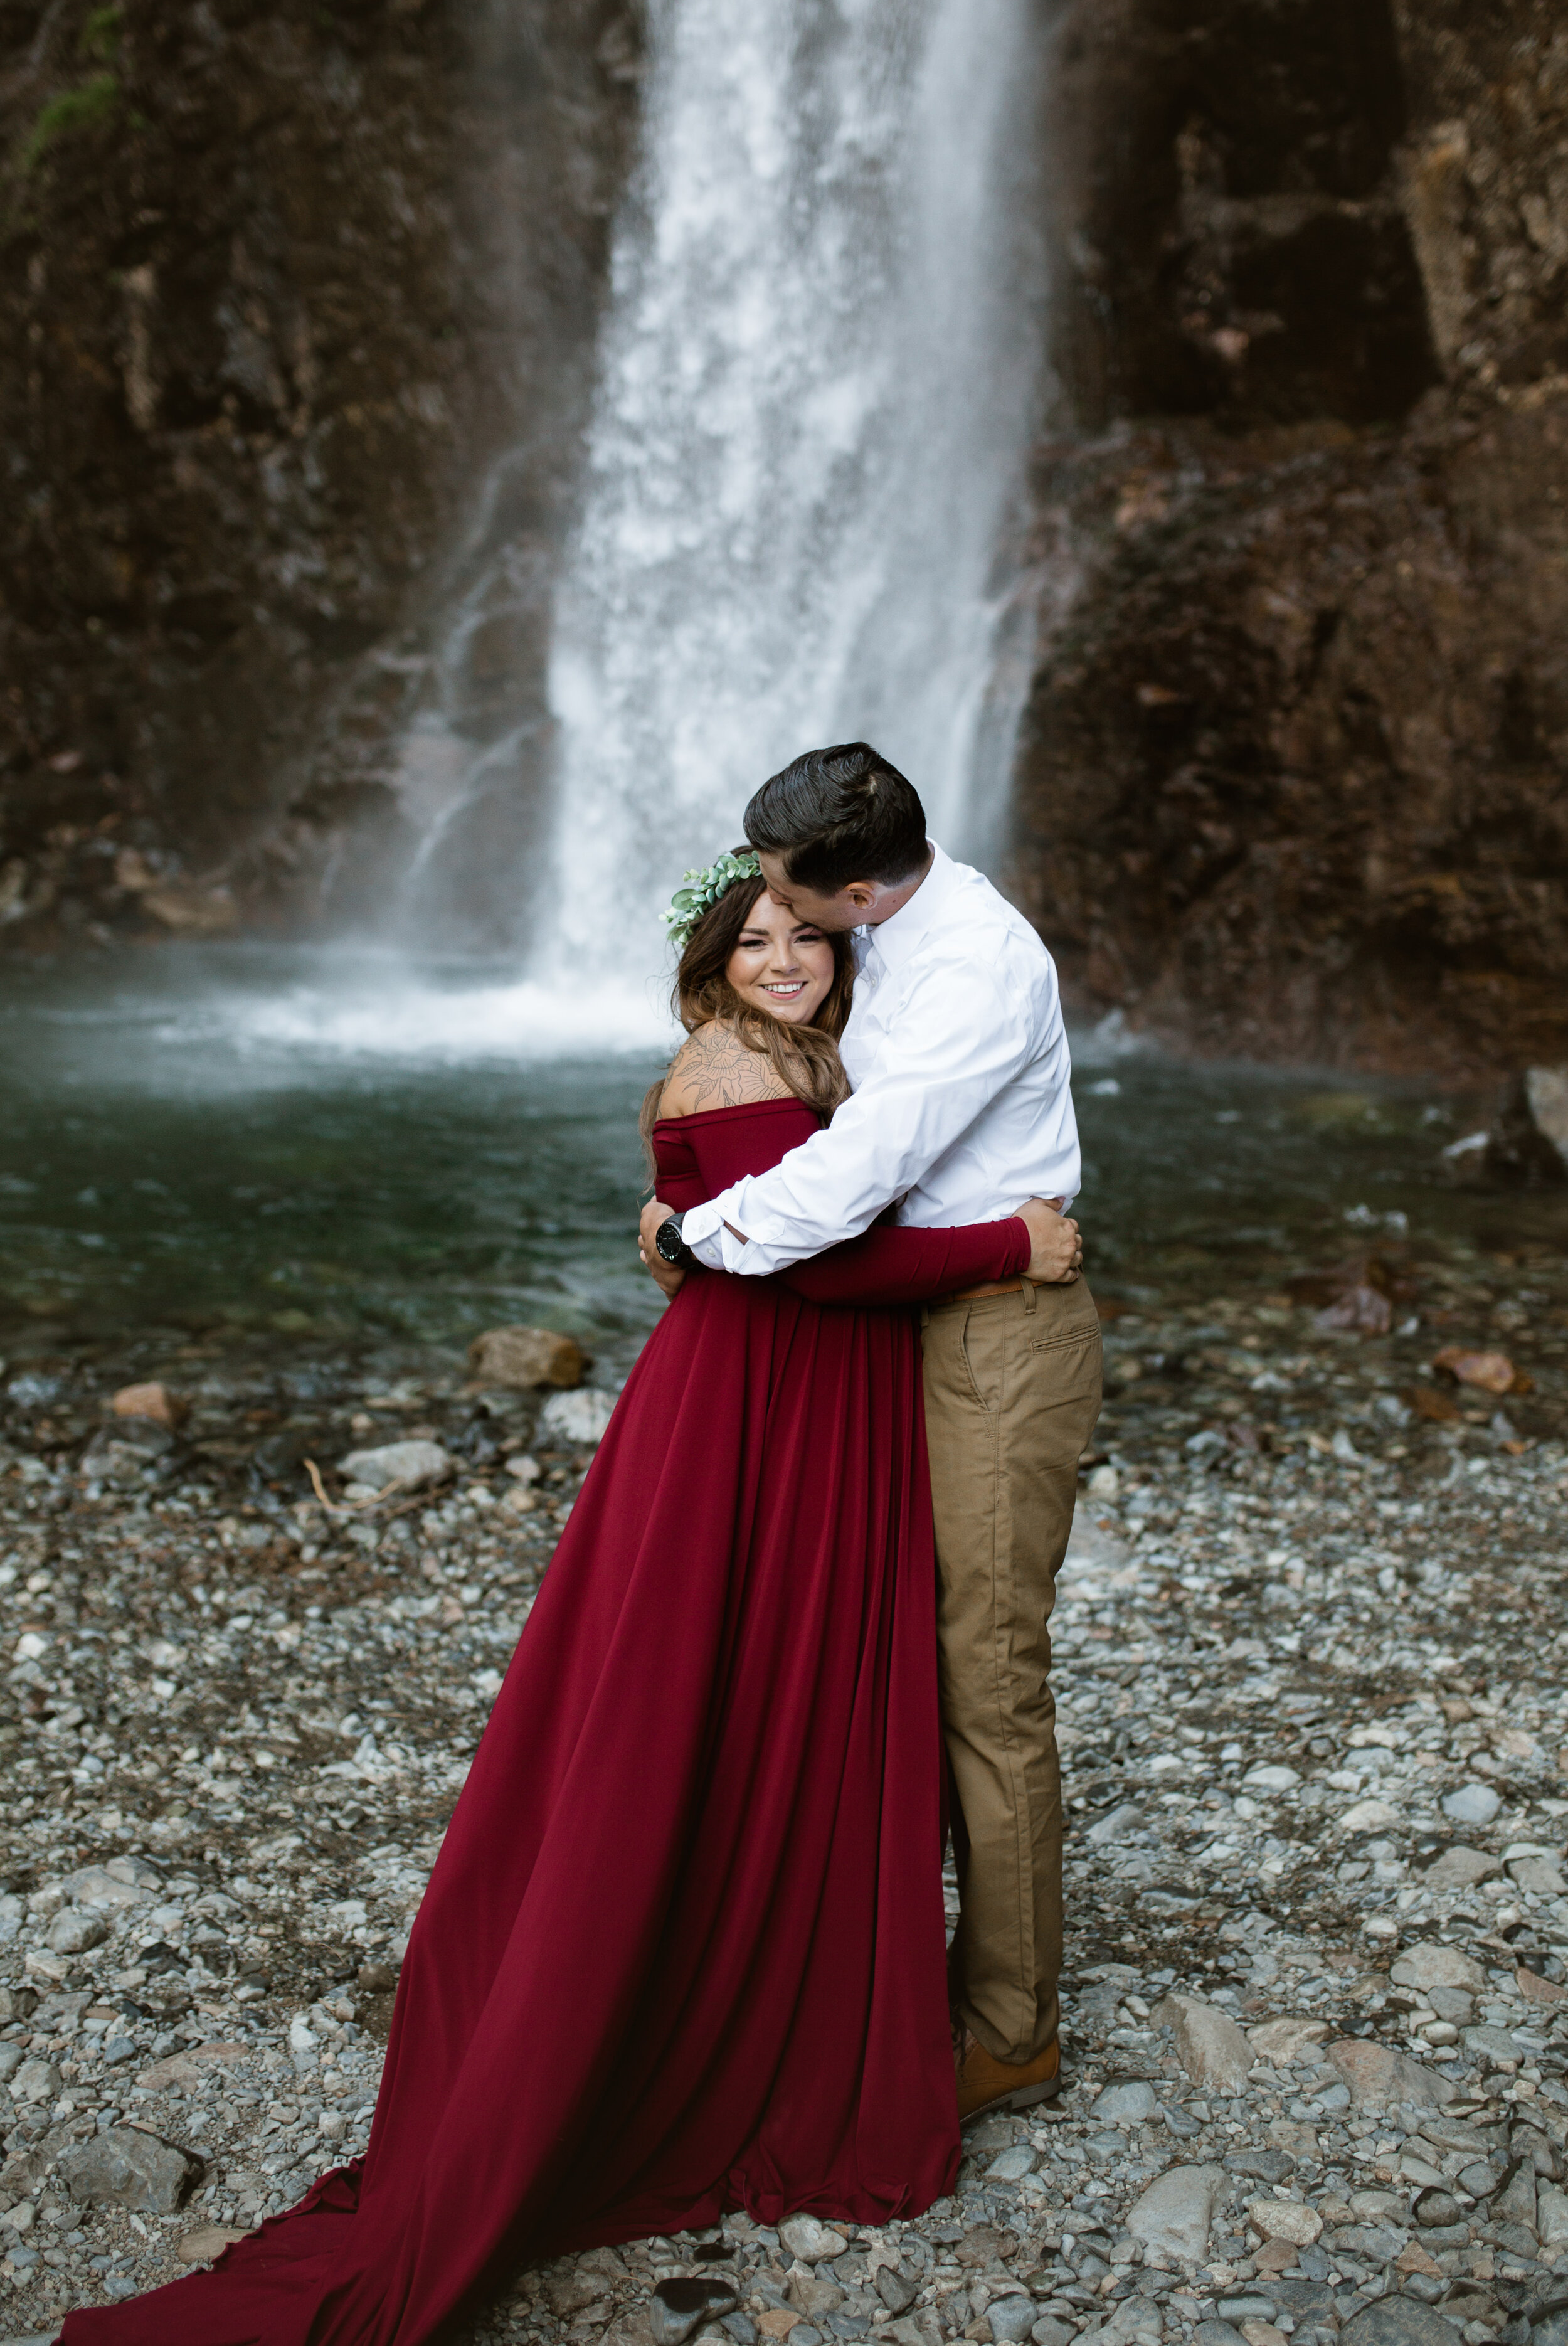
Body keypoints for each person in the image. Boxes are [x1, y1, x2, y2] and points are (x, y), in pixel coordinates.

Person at [56, 855, 1073, 2346]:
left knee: (769, 1695)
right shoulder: (729, 1062)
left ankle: (798, 1978)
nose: (785, 957)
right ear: (711, 965)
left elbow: (722, 1210)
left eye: (806, 933)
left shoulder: (820, 1050)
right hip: (766, 1410)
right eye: (755, 940)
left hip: (812, 1413)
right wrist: (1011, 1245)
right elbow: (824, 1261)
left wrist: (668, 1216)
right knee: (711, 1699)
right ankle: (728, 2018)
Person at [640, 743, 1101, 2126]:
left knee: (985, 1668)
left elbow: (858, 1169)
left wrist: (697, 1236)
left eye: (791, 899)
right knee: (877, 1642)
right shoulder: (875, 930)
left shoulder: (972, 968)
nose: (774, 925)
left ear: (852, 887)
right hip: (890, 1321)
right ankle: (854, 1961)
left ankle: (1009, 2025)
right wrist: (677, 1195)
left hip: (993, 1331)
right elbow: (764, 1100)